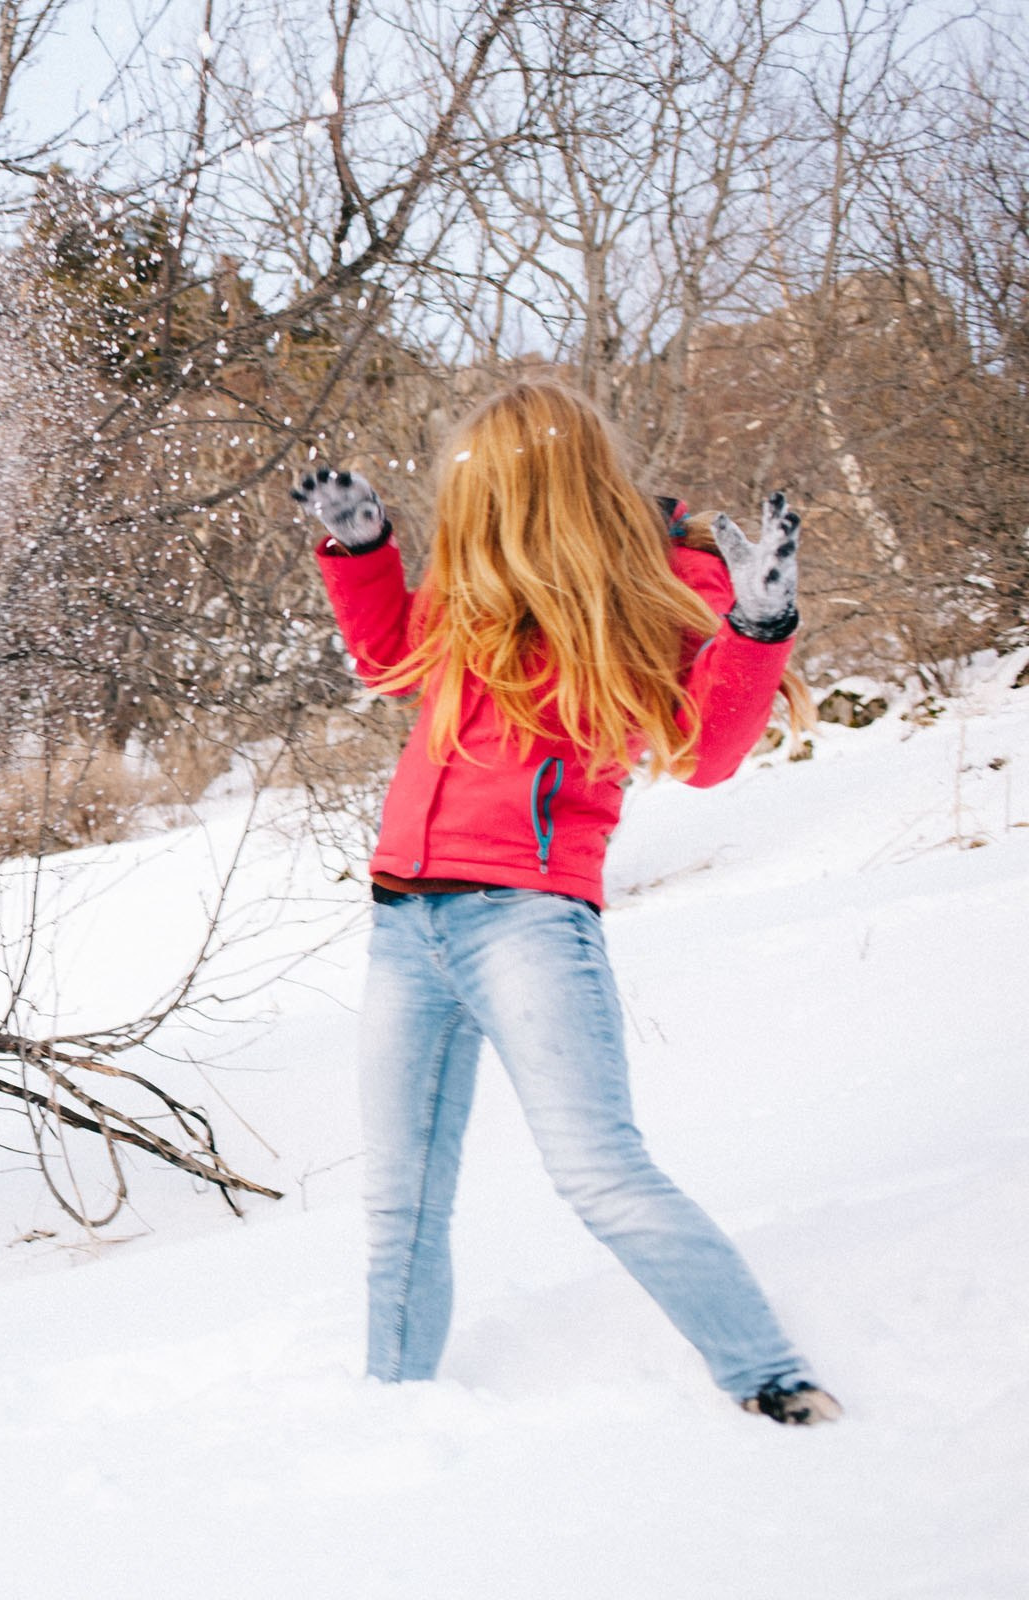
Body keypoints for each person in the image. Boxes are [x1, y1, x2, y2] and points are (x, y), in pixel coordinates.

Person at [292, 380, 839, 1425]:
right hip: (406, 923)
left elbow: (712, 751)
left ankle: (770, 1378)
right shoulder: (472, 590)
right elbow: (389, 661)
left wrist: (759, 621)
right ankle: (389, 1416)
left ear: (545, 481)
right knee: (399, 1203)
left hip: (526, 921)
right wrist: (362, 554)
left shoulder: (652, 583)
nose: (471, 500)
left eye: (489, 480)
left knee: (598, 1172)